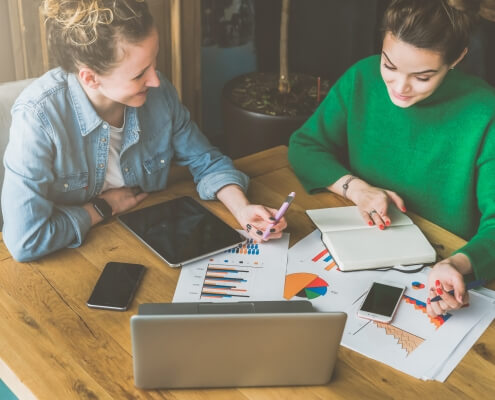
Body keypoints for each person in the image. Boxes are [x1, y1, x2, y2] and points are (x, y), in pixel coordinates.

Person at [1, 0, 286, 262]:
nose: (156, 81)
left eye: (154, 62)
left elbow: (206, 161)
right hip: (74, 256)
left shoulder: (158, 97)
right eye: (139, 74)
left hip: (149, 237)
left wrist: (243, 210)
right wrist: (101, 209)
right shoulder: (38, 119)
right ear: (90, 78)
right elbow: (26, 239)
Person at [288, 0, 495, 317]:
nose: (400, 88)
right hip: (360, 254)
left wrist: (458, 263)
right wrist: (356, 189)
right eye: (390, 65)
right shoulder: (362, 77)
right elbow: (305, 145)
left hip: (440, 271)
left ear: (457, 58)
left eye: (422, 77)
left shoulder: (485, 112)